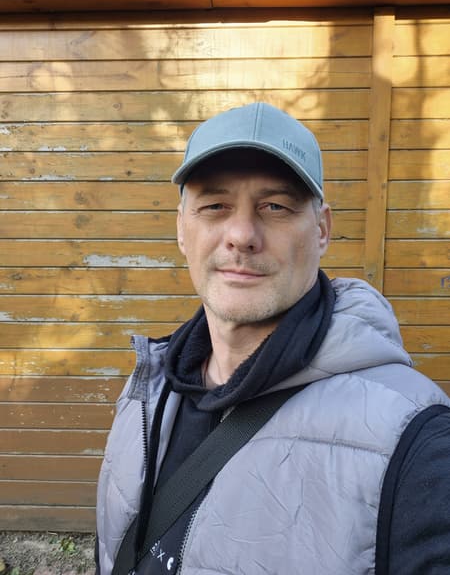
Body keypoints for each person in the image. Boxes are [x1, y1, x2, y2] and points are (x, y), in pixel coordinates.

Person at [96, 102, 450, 574]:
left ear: (321, 230)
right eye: (215, 206)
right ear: (182, 228)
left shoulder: (416, 443)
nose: (242, 234)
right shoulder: (145, 390)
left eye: (275, 207)